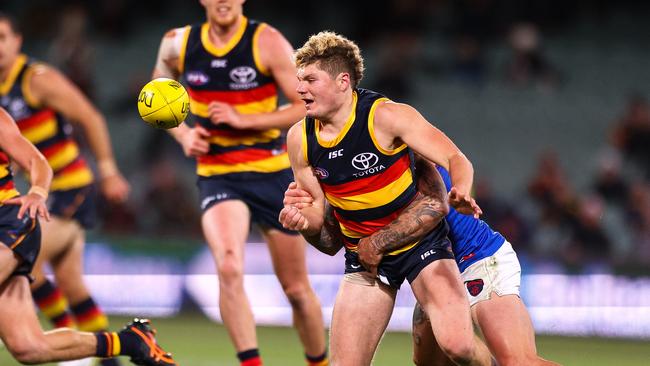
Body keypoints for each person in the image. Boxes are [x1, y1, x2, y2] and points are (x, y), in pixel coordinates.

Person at [279, 31, 492, 366]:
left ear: (342, 81)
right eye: (298, 80)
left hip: (422, 248)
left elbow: (455, 158)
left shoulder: (386, 117)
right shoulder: (299, 140)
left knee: (460, 347)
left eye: (310, 79)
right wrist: (304, 224)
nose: (299, 89)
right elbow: (327, 239)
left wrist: (462, 189)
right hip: (363, 262)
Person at [150, 1, 327, 365]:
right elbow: (155, 96)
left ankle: (320, 361)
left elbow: (306, 104)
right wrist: (183, 136)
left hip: (273, 173)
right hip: (218, 175)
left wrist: (244, 120)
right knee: (229, 267)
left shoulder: (267, 42)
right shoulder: (176, 43)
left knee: (295, 289)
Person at [283, 156, 560, 365]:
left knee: (518, 362)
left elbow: (436, 205)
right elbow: (331, 243)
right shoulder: (349, 179)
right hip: (435, 268)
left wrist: (374, 243)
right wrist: (307, 222)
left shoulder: (402, 152)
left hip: (478, 259)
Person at [0, 13, 131, 363]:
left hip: (71, 187)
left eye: (2, 38)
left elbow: (90, 116)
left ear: (18, 42)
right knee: (72, 286)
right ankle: (113, 355)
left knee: (24, 260)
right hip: (38, 192)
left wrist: (108, 170)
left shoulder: (36, 79)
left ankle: (69, 353)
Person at [0, 107, 176, 366]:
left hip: (8, 222)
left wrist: (37, 192)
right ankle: (132, 341)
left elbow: (37, 161)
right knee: (28, 346)